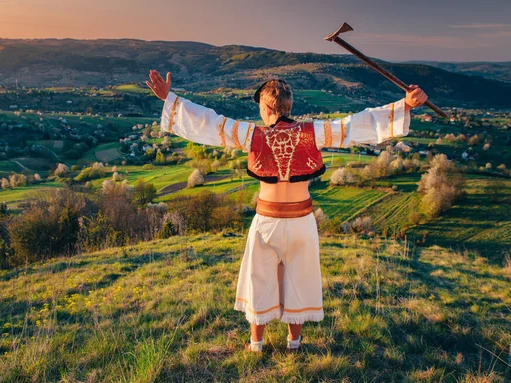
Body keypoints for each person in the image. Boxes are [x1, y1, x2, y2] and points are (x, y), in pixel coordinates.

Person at [146, 70, 427, 352]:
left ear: (266, 108)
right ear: (288, 106)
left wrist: (170, 99)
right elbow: (354, 125)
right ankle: (294, 343)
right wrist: (404, 106)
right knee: (299, 279)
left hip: (266, 221)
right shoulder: (313, 133)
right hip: (301, 221)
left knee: (260, 280)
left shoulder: (252, 134)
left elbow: (212, 124)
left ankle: (256, 343)